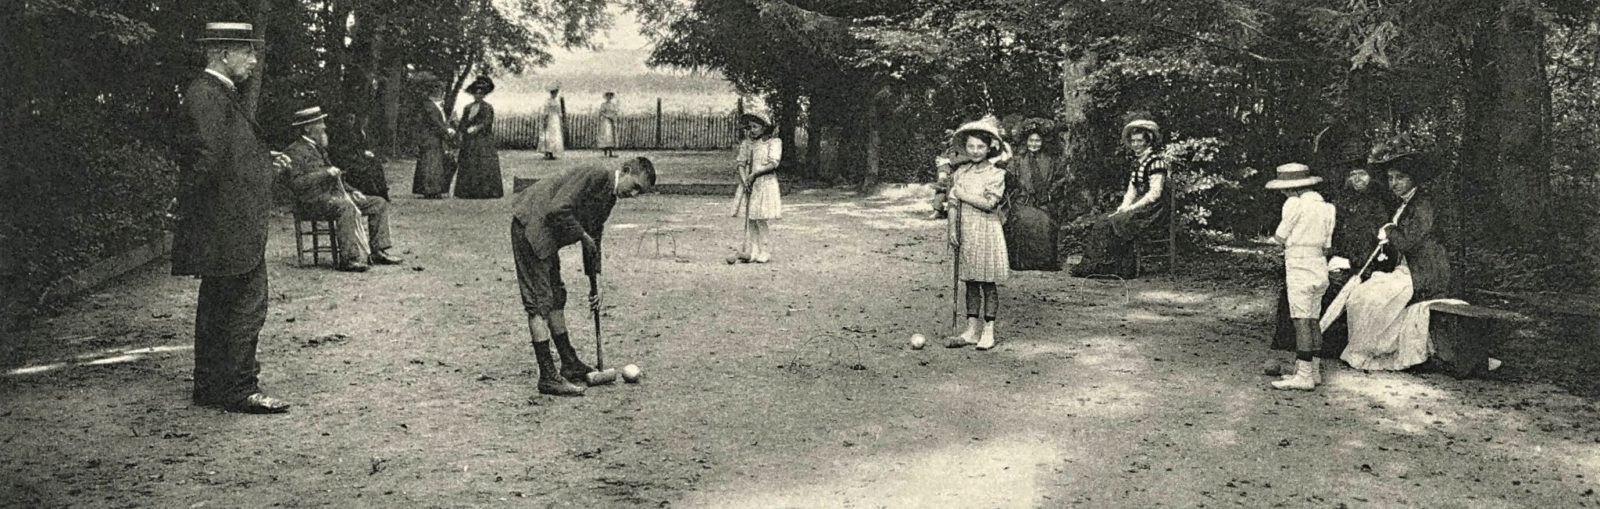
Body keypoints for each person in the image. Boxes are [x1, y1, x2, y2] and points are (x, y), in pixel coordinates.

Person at [172, 21, 290, 414]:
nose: (254, 60)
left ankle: (210, 386)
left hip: (226, 223)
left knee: (218, 306)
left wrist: (263, 160)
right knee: (246, 306)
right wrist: (189, 211)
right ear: (224, 54)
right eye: (248, 52)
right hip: (228, 225)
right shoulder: (208, 95)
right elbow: (205, 161)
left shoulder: (217, 93)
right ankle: (241, 389)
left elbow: (225, 154)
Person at [510, 157, 657, 396]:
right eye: (636, 187)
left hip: (548, 235)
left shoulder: (609, 197)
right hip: (531, 227)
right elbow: (557, 209)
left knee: (557, 297)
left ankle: (569, 362)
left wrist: (594, 282)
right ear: (626, 170)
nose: (634, 195)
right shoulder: (597, 174)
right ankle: (547, 377)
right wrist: (582, 236)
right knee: (539, 303)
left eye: (640, 193)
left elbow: (593, 236)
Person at [1341, 148, 1461, 371]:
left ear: (1413, 178)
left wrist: (1389, 229)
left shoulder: (1423, 204)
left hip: (1426, 272)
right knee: (1363, 294)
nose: (1394, 183)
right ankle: (1376, 347)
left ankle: (1380, 349)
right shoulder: (1404, 203)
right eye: (1390, 178)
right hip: (1407, 268)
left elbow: (1407, 242)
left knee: (1375, 297)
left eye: (1400, 178)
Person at [283, 106, 405, 272]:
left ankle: (378, 250)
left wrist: (351, 190)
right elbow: (296, 183)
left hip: (332, 196)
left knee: (378, 203)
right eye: (320, 123)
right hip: (312, 201)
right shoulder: (294, 151)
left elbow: (336, 176)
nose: (325, 127)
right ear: (307, 128)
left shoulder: (318, 148)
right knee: (345, 207)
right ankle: (349, 259)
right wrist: (325, 173)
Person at [1263, 163, 1337, 390]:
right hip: (1319, 265)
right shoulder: (1327, 208)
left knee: (1301, 320)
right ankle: (1313, 370)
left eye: (1285, 189)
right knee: (1314, 320)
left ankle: (1303, 375)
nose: (1283, 193)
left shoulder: (1294, 204)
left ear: (1294, 188)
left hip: (1299, 265)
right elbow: (1327, 246)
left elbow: (1280, 236)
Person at [1070, 119, 1171, 278]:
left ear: (1148, 141)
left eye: (1140, 141)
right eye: (1133, 141)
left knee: (1117, 221)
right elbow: (1132, 190)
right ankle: (1101, 266)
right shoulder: (1138, 163)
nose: (1136, 144)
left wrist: (1131, 208)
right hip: (1140, 206)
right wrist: (1123, 207)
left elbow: (1155, 194)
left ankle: (1122, 268)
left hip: (1154, 210)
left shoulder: (1156, 162)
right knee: (1104, 220)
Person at [942, 119, 1010, 351]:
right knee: (970, 281)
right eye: (971, 146)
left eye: (980, 147)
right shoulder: (961, 172)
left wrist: (962, 195)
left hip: (986, 229)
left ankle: (988, 331)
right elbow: (952, 203)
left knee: (986, 282)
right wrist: (952, 229)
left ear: (989, 147)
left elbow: (990, 203)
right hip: (966, 231)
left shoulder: (995, 173)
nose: (975, 151)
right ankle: (971, 329)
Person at [727, 108, 783, 264]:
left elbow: (773, 163)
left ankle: (765, 250)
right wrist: (745, 179)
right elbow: (741, 163)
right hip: (749, 184)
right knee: (751, 218)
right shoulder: (747, 144)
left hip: (764, 183)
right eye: (750, 127)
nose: (751, 130)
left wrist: (754, 174)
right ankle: (753, 250)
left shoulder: (774, 143)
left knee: (760, 218)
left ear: (764, 127)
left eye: (755, 127)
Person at [454, 76, 503, 199]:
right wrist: (461, 130)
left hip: (482, 141)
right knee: (468, 163)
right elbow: (463, 122)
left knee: (482, 163)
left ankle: (484, 192)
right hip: (469, 141)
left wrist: (476, 129)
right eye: (476, 93)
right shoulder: (468, 107)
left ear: (484, 95)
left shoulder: (487, 107)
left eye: (481, 93)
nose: (478, 95)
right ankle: (467, 192)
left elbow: (487, 122)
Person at [328, 112, 389, 200]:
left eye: (353, 119)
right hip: (344, 161)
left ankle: (382, 191)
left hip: (353, 158)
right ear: (343, 121)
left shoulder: (352, 133)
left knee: (375, 163)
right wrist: (359, 157)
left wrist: (363, 154)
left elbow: (357, 149)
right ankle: (373, 194)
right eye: (349, 119)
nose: (351, 122)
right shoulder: (337, 135)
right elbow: (340, 153)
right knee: (365, 169)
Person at [412, 82, 456, 198]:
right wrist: (447, 131)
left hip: (434, 137)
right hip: (429, 137)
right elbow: (435, 122)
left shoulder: (435, 105)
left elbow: (440, 121)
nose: (441, 92)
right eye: (438, 89)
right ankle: (430, 190)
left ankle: (434, 190)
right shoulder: (429, 105)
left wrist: (447, 129)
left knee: (434, 163)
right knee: (430, 163)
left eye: (441, 90)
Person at [538, 85, 565, 160]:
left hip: (555, 119)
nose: (554, 94)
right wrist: (545, 120)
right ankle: (548, 152)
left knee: (554, 135)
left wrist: (560, 118)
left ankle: (552, 152)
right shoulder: (548, 101)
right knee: (548, 135)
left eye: (555, 93)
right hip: (550, 118)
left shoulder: (556, 101)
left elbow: (559, 112)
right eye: (553, 93)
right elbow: (546, 111)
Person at [598, 92, 620, 158]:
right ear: (606, 97)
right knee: (605, 136)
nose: (609, 97)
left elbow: (615, 112)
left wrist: (613, 118)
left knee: (611, 136)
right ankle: (605, 152)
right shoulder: (603, 105)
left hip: (611, 121)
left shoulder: (613, 105)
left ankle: (610, 152)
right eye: (608, 96)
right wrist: (607, 116)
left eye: (610, 96)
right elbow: (601, 112)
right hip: (605, 121)